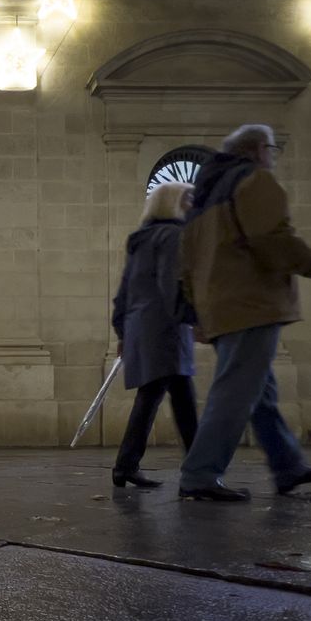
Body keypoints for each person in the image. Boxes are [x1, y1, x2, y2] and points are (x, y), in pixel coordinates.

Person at [178, 124, 311, 501]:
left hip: (221, 308)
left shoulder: (203, 197)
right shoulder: (254, 181)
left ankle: (287, 466)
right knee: (235, 392)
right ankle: (200, 474)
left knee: (259, 393)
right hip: (250, 305)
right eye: (272, 149)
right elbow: (274, 240)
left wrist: (199, 314)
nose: (272, 157)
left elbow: (186, 266)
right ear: (258, 150)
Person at [110, 181, 199, 489]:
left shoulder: (139, 240)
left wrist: (122, 330)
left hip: (141, 328)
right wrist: (194, 318)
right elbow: (171, 286)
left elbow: (123, 293)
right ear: (175, 203)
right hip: (165, 329)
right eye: (188, 199)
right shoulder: (173, 236)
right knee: (180, 399)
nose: (192, 205)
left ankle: (126, 466)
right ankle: (200, 471)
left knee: (155, 398)